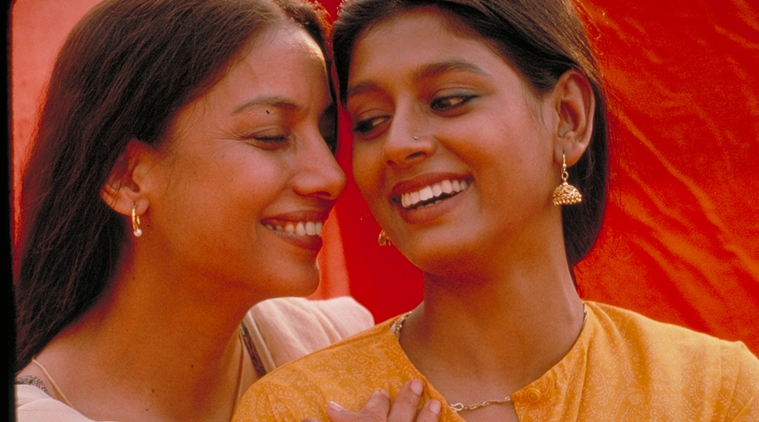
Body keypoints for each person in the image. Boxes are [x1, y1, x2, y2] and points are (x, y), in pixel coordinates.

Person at [232, 0, 759, 421]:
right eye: (370, 120)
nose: (398, 144)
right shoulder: (300, 408)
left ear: (569, 119)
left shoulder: (715, 393)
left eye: (448, 100)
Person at [13, 0, 376, 421]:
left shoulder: (336, 345)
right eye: (271, 134)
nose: (331, 176)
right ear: (126, 177)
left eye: (328, 136)